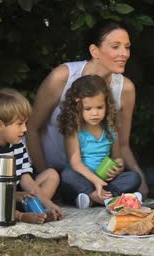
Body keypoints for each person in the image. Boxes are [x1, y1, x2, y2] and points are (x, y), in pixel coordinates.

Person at [25, 21, 149, 197]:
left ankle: (101, 195)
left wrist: (140, 180)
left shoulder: (126, 89)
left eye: (127, 47)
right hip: (54, 171)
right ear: (94, 51)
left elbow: (122, 144)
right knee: (67, 177)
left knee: (137, 179)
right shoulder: (63, 76)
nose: (124, 53)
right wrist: (48, 176)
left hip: (97, 174)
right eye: (115, 46)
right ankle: (97, 195)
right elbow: (32, 129)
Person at [0, 88, 63, 224]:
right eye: (19, 124)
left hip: (14, 197)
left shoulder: (18, 145)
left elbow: (26, 180)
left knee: (51, 175)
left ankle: (39, 211)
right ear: (0, 125)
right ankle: (19, 216)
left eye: (25, 123)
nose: (25, 129)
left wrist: (48, 203)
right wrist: (13, 196)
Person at [58, 75, 141, 208]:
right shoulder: (74, 130)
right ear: (76, 107)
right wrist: (96, 181)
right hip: (83, 181)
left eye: (99, 107)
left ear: (107, 105)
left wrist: (118, 168)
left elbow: (118, 157)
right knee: (67, 175)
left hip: (105, 182)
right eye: (88, 109)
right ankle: (105, 198)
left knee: (134, 177)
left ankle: (95, 199)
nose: (95, 113)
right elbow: (76, 164)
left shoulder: (110, 129)